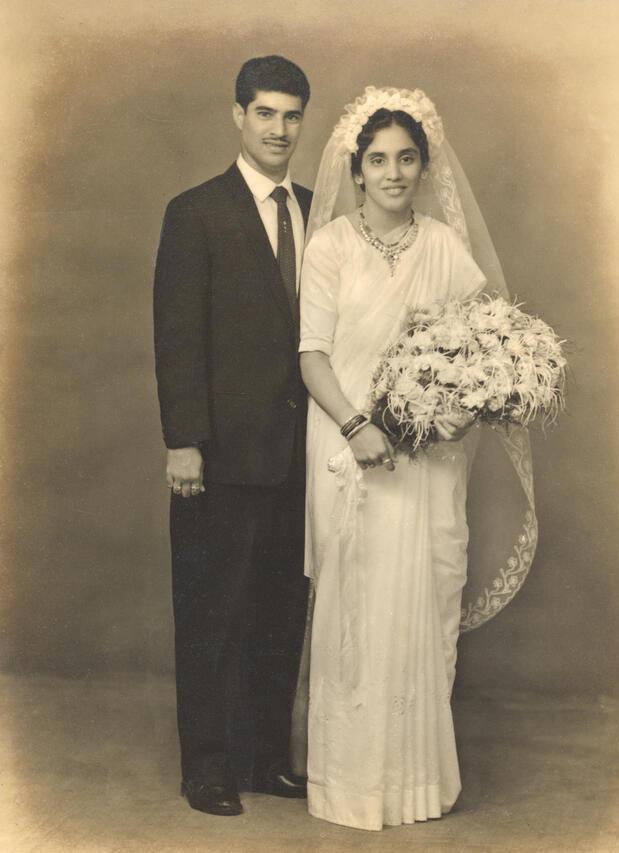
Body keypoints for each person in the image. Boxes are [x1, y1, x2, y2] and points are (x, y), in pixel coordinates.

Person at [297, 87, 537, 831]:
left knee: (423, 599)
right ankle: (351, 784)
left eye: (407, 158)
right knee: (359, 611)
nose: (394, 173)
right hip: (349, 447)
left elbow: (487, 346)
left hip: (431, 460)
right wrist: (358, 425)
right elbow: (311, 356)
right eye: (378, 160)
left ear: (424, 167)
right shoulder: (332, 245)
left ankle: (417, 783)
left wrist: (463, 406)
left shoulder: (443, 246)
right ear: (357, 170)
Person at [153, 55, 312, 817]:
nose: (280, 129)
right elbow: (178, 335)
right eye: (266, 113)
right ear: (238, 117)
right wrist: (184, 439)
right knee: (212, 612)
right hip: (217, 455)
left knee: (282, 610)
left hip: (301, 456)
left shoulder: (320, 209)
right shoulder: (196, 211)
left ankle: (263, 756)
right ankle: (207, 765)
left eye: (292, 116)